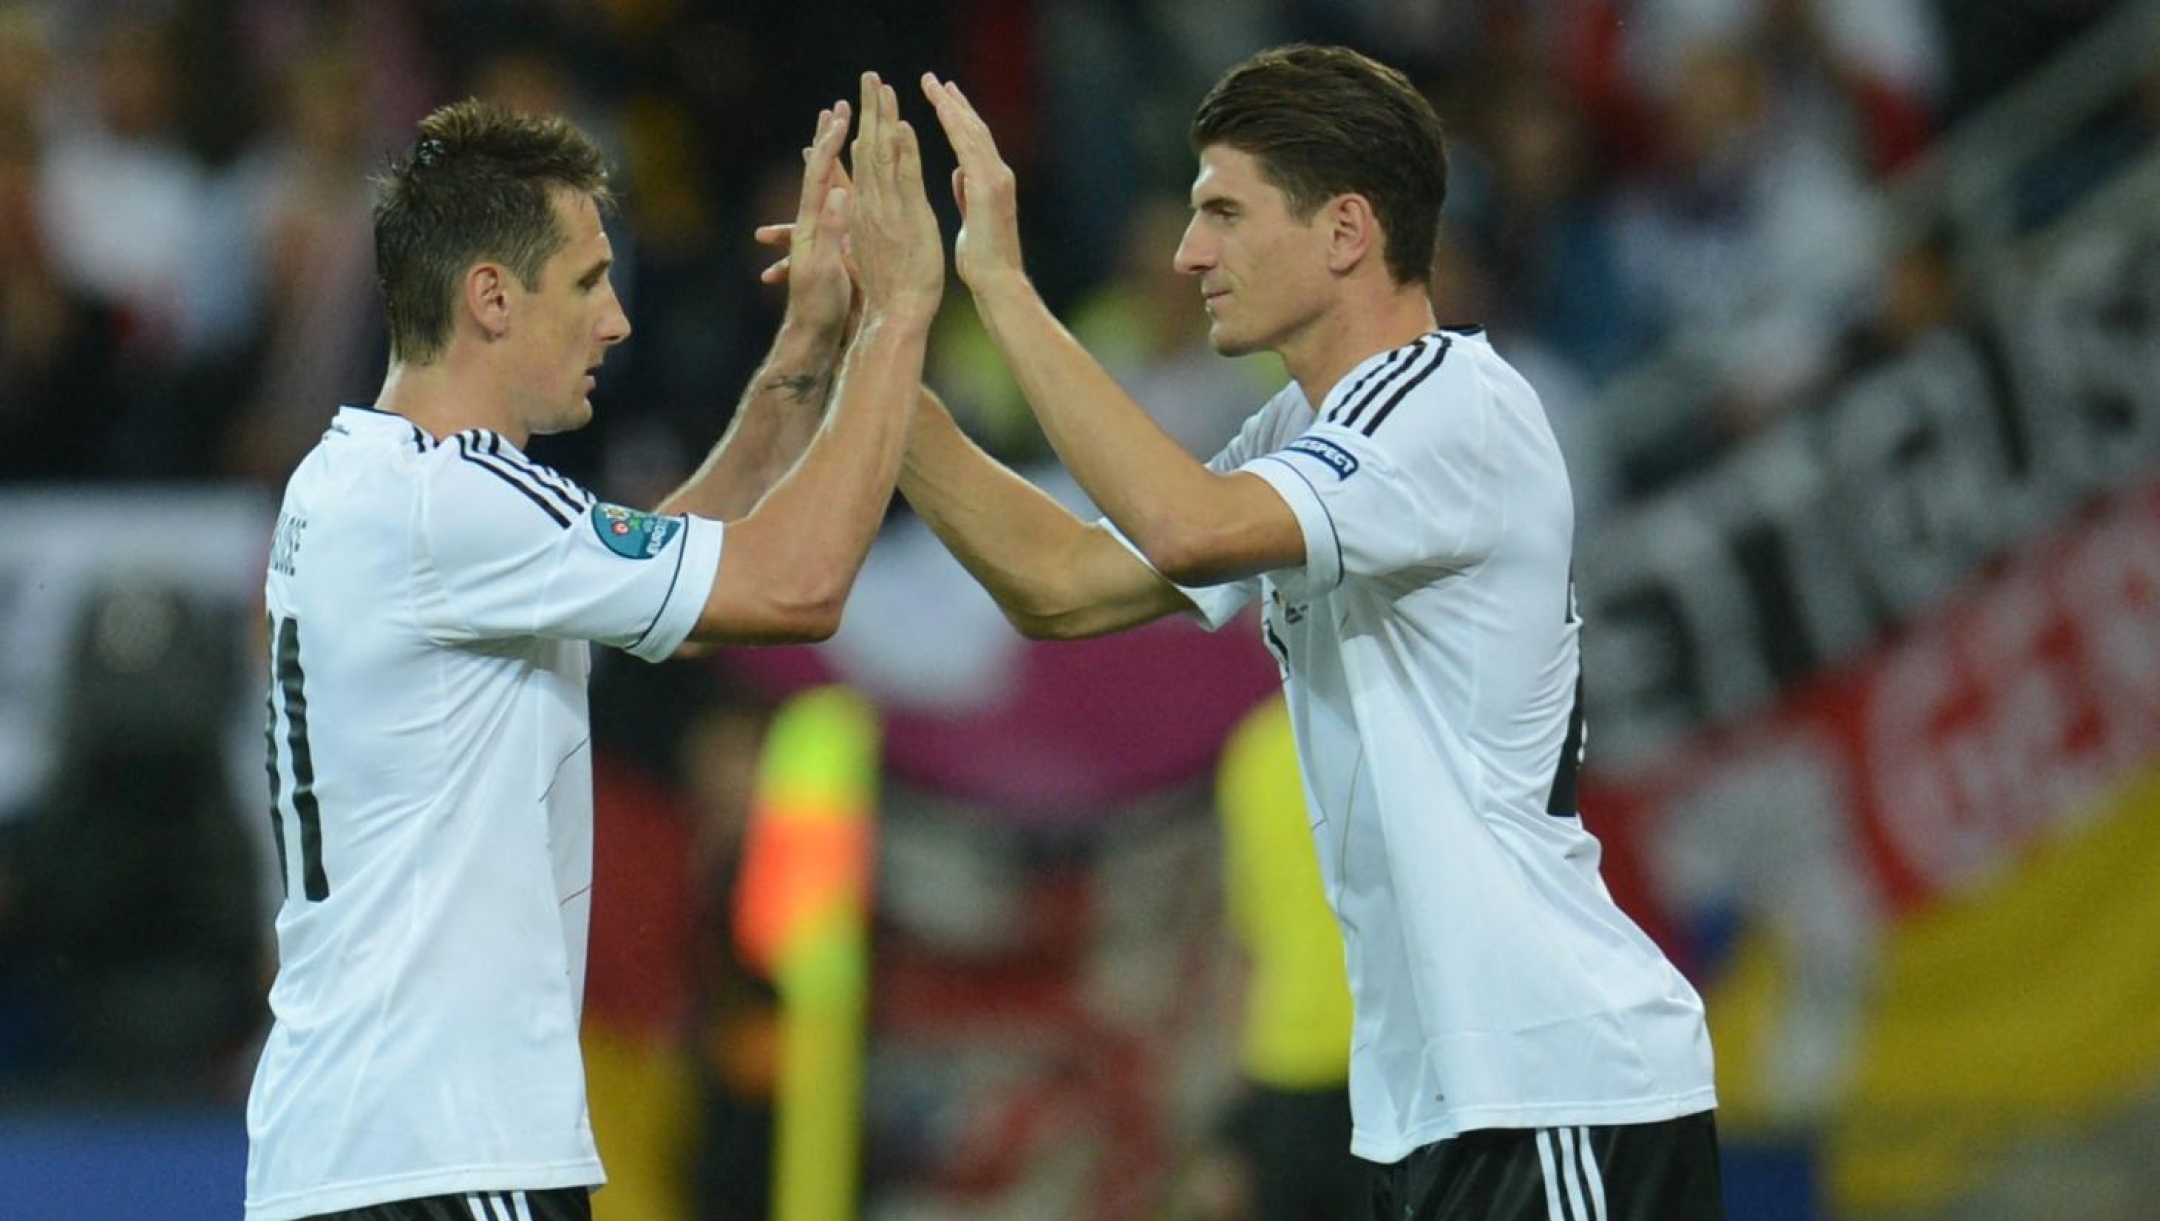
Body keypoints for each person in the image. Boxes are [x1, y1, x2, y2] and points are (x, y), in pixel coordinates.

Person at [896, 46, 1724, 1220]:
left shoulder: (1449, 408)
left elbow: (1184, 529)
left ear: (1344, 230)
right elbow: (1063, 583)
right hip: (1435, 1102)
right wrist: (878, 357)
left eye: (1225, 213)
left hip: (1552, 1081)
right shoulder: (1308, 428)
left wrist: (1003, 287)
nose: (1190, 255)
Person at [245, 75, 942, 1221]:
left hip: (350, 1147)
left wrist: (810, 344)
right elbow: (797, 588)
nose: (616, 320)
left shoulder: (357, 479)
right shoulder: (455, 500)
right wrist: (901, 317)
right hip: (449, 1151)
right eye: (586, 281)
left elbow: (684, 577)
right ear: (491, 297)